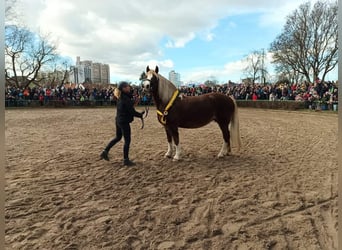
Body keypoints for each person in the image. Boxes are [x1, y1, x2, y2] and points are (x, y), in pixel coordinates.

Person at [100, 82, 145, 166]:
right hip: (124, 121)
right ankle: (126, 160)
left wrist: (135, 102)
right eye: (128, 87)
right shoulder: (125, 99)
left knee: (118, 137)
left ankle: (105, 151)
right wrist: (140, 115)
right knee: (127, 141)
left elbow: (130, 106)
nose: (129, 88)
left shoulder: (122, 97)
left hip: (119, 120)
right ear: (124, 88)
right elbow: (131, 111)